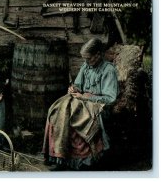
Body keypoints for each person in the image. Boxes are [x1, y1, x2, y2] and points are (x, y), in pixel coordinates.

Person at [42, 38, 119, 170]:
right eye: (85, 59)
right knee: (57, 109)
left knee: (75, 117)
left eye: (89, 59)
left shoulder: (108, 70)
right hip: (81, 99)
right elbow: (78, 84)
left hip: (97, 104)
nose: (87, 62)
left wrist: (85, 97)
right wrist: (74, 89)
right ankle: (59, 157)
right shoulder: (86, 65)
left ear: (98, 55)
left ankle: (81, 162)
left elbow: (110, 99)